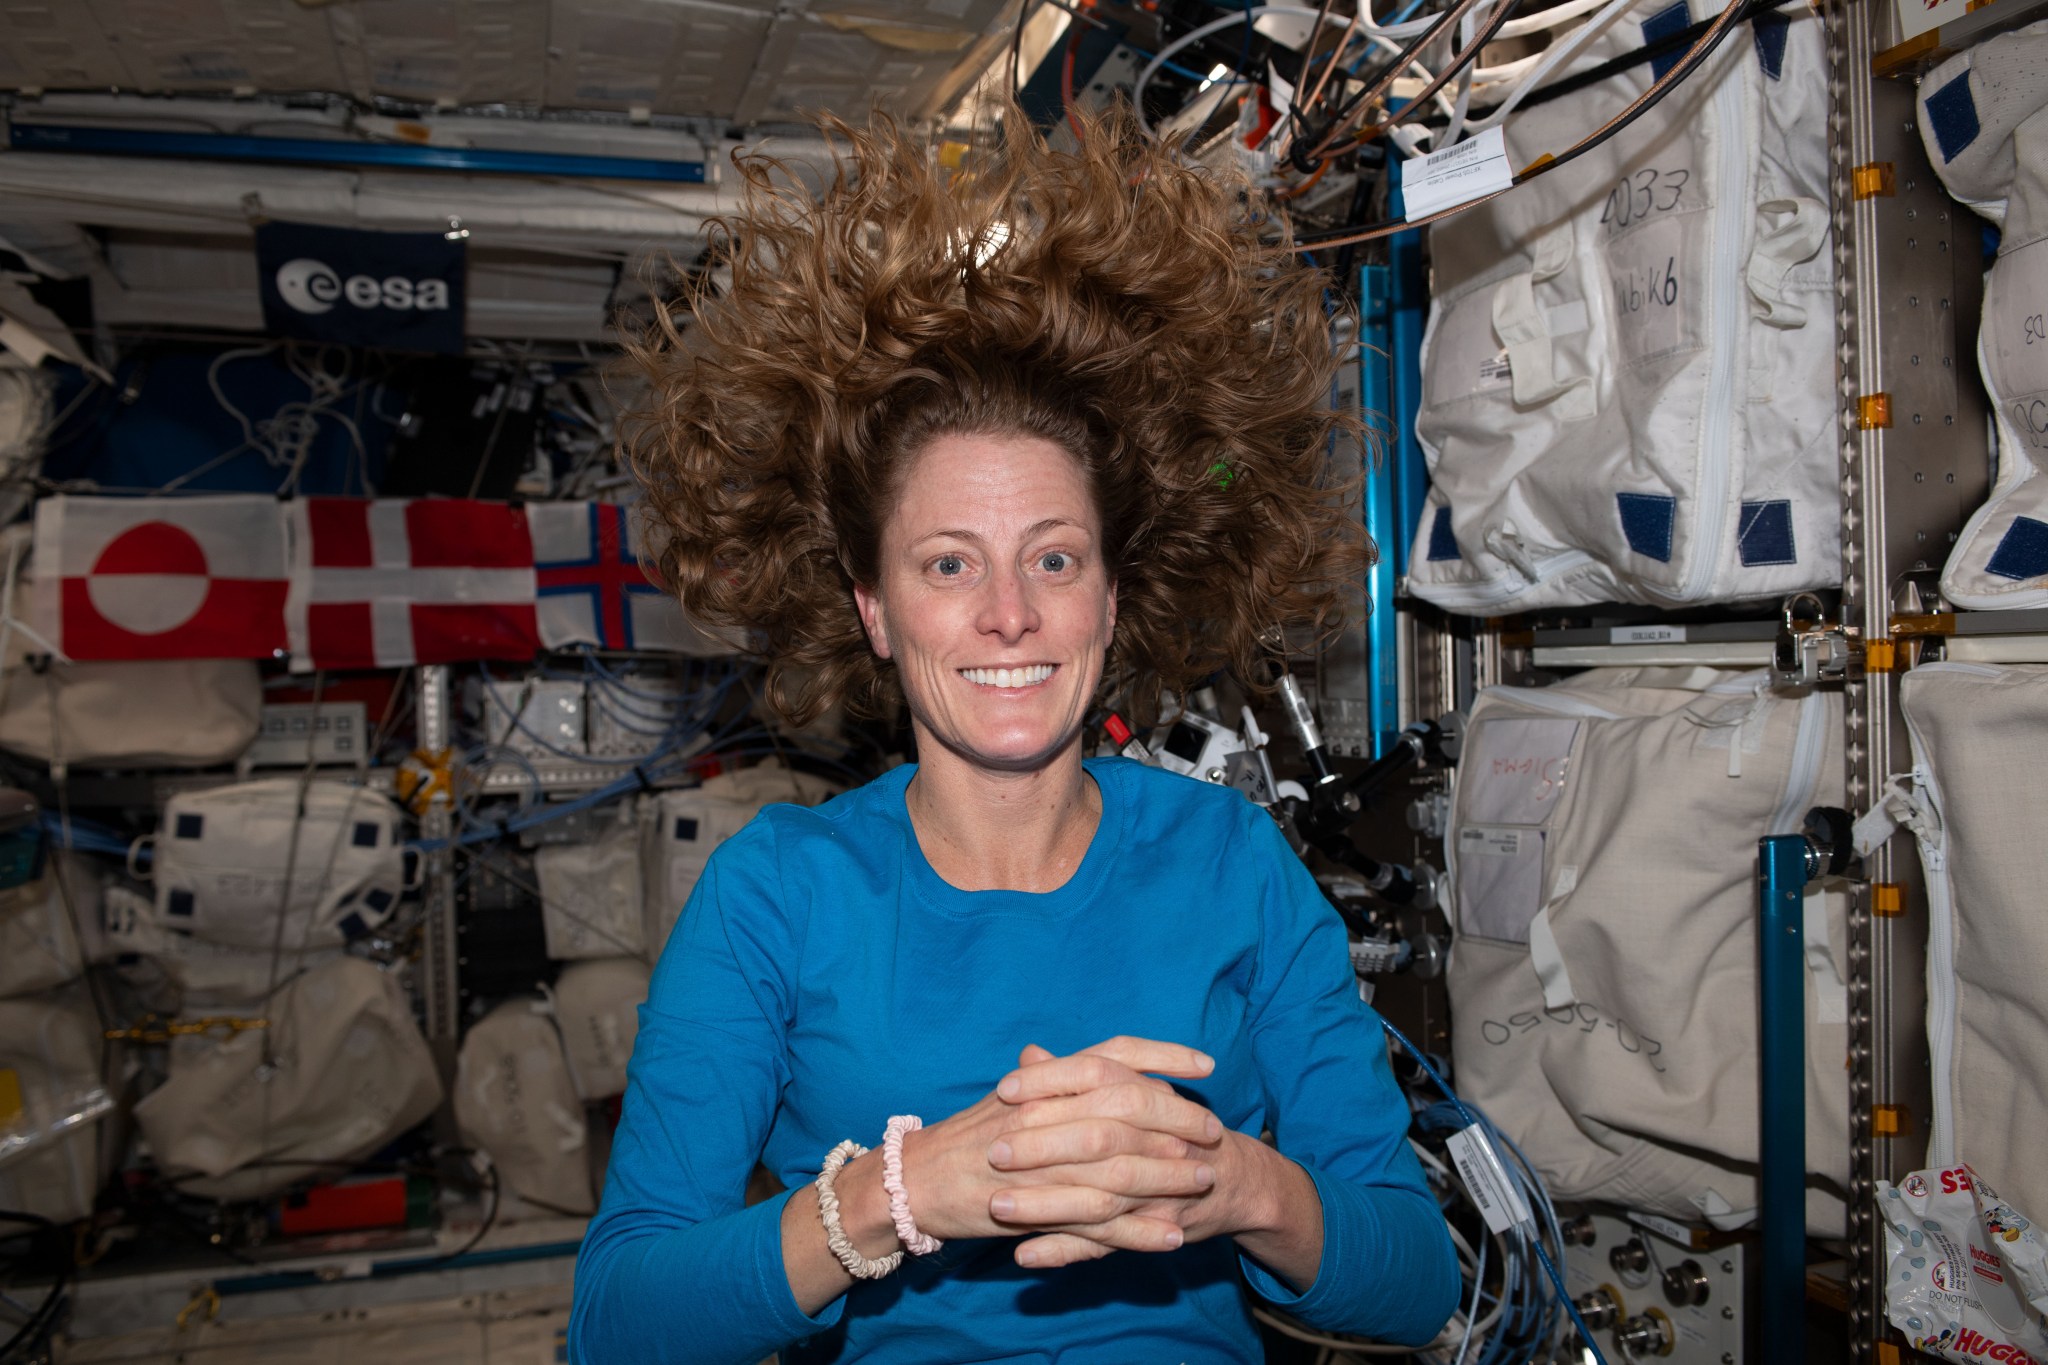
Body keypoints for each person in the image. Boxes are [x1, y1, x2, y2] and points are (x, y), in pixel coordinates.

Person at [568, 106, 1461, 1364]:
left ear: (1108, 594)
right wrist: (911, 1192)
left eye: (1053, 557)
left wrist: (1236, 1185)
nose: (1007, 613)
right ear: (875, 611)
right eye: (948, 564)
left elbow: (1415, 1282)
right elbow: (619, 1324)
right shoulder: (777, 895)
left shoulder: (1229, 863)